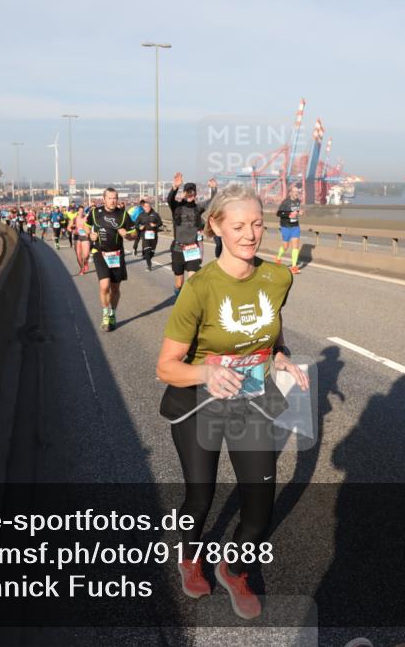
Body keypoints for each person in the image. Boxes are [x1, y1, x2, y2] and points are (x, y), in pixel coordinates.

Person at [156, 184, 309, 620]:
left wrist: (280, 356)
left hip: (249, 399)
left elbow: (272, 332)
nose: (250, 234)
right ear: (216, 227)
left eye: (258, 224)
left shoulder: (278, 278)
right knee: (199, 499)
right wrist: (206, 371)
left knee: (259, 507)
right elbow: (166, 366)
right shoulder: (200, 288)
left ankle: (235, 567)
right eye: (239, 225)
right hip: (199, 400)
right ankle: (190, 557)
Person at [87, 188, 136, 331]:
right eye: (110, 198)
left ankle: (113, 313)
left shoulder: (123, 215)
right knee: (104, 286)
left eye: (115, 198)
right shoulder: (95, 213)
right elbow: (86, 226)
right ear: (104, 199)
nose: (113, 201)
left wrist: (126, 235)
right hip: (100, 252)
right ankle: (105, 314)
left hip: (116, 255)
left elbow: (134, 234)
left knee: (115, 288)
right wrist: (90, 235)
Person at [168, 172, 217, 297]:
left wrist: (213, 189)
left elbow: (212, 202)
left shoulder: (198, 208)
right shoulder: (176, 207)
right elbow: (169, 199)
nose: (190, 195)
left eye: (192, 192)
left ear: (195, 194)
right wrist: (175, 187)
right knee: (179, 283)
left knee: (192, 281)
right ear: (184, 193)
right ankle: (178, 296)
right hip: (178, 249)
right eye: (188, 192)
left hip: (192, 250)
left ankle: (187, 304)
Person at [275, 185, 303, 274]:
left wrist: (300, 212)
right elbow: (278, 213)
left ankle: (294, 267)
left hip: (295, 226)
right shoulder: (285, 202)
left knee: (295, 246)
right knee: (285, 246)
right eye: (294, 192)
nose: (296, 194)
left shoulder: (298, 201)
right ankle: (278, 257)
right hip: (285, 226)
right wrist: (289, 214)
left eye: (297, 192)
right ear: (290, 193)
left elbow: (296, 212)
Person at [134, 199, 164, 271]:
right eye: (145, 207)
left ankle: (149, 258)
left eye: (148, 206)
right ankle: (149, 265)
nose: (147, 208)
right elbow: (136, 224)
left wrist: (155, 225)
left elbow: (160, 223)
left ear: (150, 207)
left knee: (152, 252)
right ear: (143, 207)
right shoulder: (141, 215)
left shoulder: (155, 214)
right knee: (147, 250)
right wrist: (139, 227)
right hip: (145, 235)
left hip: (153, 236)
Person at [72, 205, 91, 275]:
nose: (81, 212)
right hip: (77, 237)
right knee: (78, 255)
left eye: (82, 211)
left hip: (85, 237)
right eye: (80, 211)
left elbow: (91, 227)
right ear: (77, 211)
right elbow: (68, 227)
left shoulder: (87, 218)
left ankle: (85, 262)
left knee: (85, 255)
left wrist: (88, 232)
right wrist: (73, 231)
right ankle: (82, 268)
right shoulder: (74, 219)